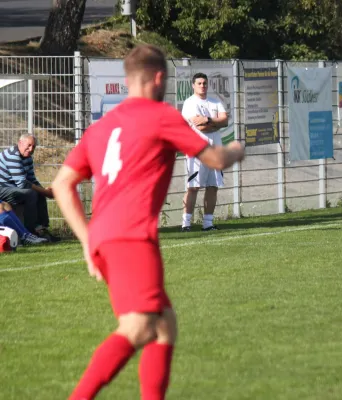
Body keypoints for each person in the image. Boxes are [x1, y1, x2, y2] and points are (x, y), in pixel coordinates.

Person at [52, 44, 245, 400]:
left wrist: (87, 241)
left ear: (128, 80)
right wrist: (237, 148)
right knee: (139, 327)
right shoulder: (160, 115)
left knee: (163, 325)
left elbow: (62, 183)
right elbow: (216, 158)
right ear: (159, 78)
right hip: (131, 238)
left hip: (106, 238)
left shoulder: (101, 127)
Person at [180, 72, 229, 232]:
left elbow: (225, 121)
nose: (202, 86)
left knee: (213, 186)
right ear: (193, 85)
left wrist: (208, 120)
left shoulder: (215, 102)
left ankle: (208, 223)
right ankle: (186, 223)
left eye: (205, 83)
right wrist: (216, 123)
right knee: (193, 187)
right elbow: (200, 127)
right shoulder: (189, 103)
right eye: (199, 83)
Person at [0, 134, 59, 241]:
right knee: (31, 194)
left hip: (11, 188)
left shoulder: (27, 157)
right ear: (20, 143)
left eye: (33, 147)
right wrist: (46, 192)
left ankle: (42, 228)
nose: (31, 149)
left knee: (38, 193)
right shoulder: (13, 156)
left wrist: (44, 191)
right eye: (29, 145)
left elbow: (32, 179)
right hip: (2, 188)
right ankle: (30, 232)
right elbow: (22, 183)